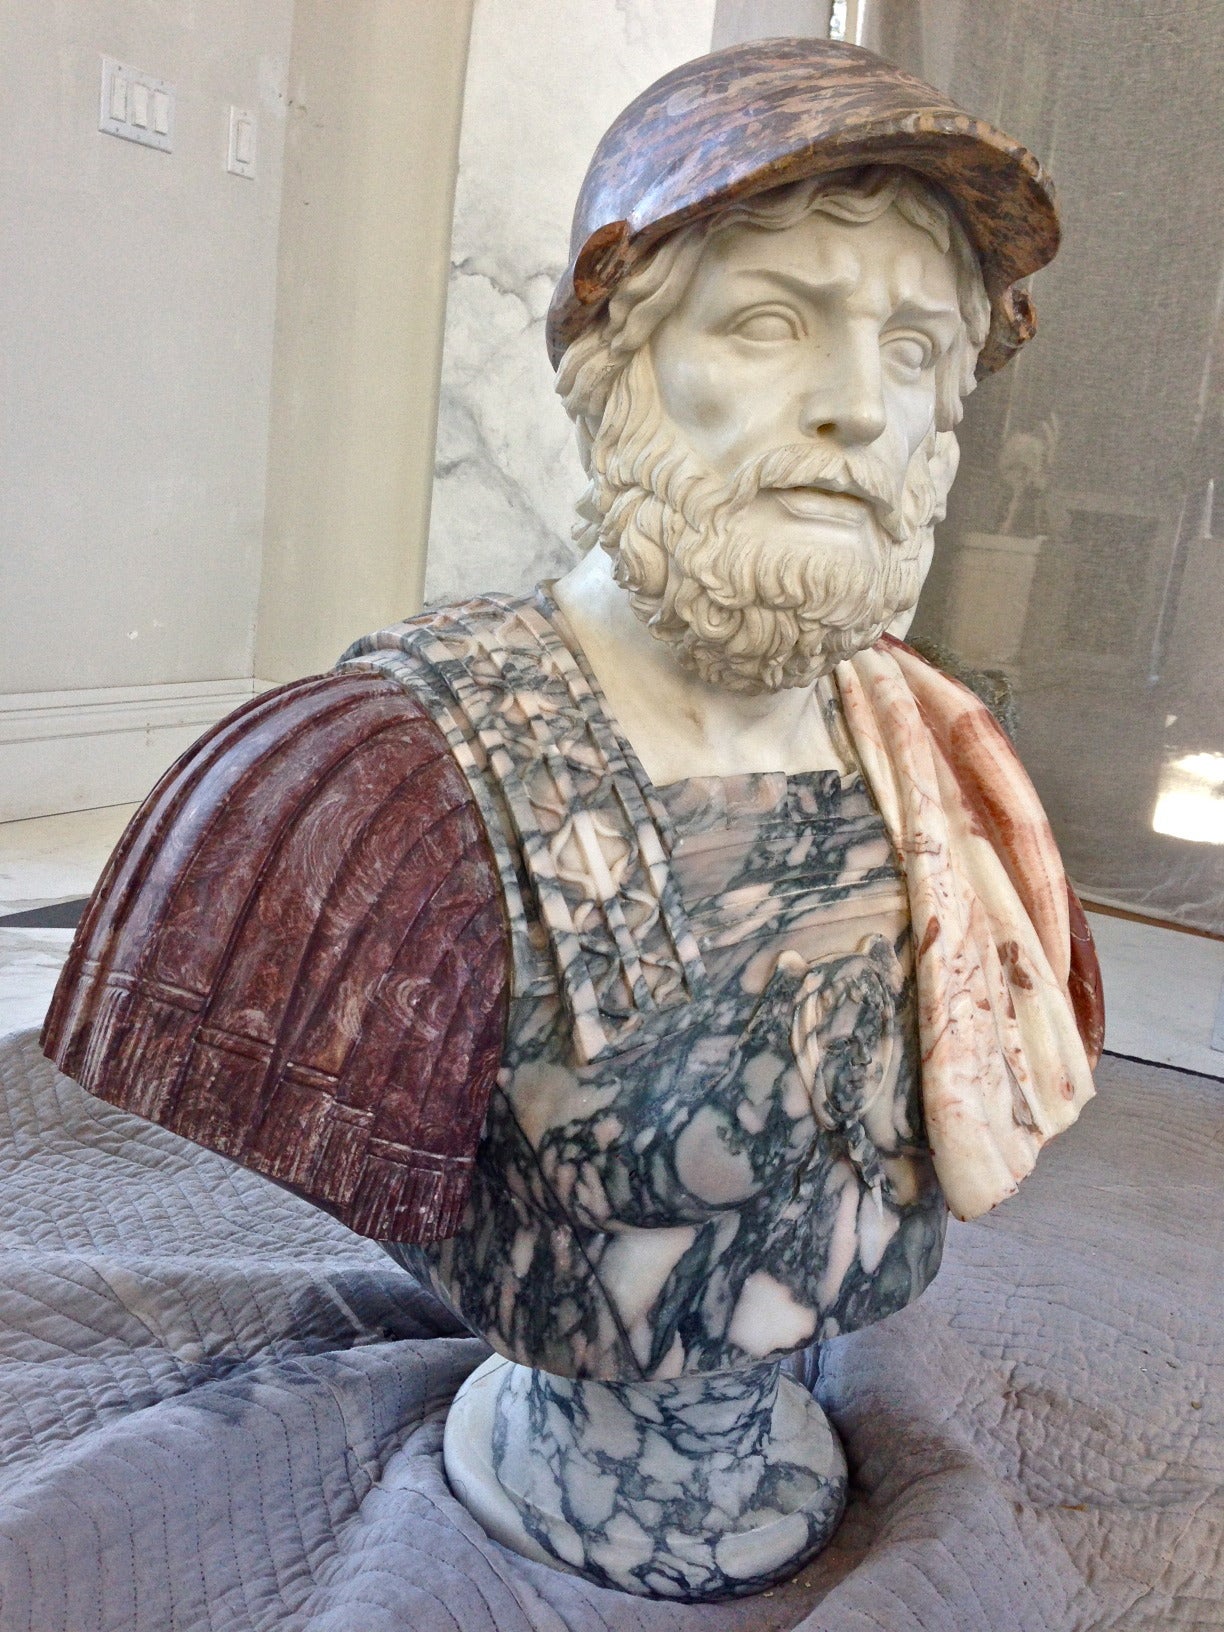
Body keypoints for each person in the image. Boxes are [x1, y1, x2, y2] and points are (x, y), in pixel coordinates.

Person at [45, 39, 1104, 1599]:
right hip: (555, 1453)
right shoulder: (382, 787)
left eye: (914, 349)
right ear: (612, 362)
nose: (855, 409)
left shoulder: (953, 780)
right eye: (770, 320)